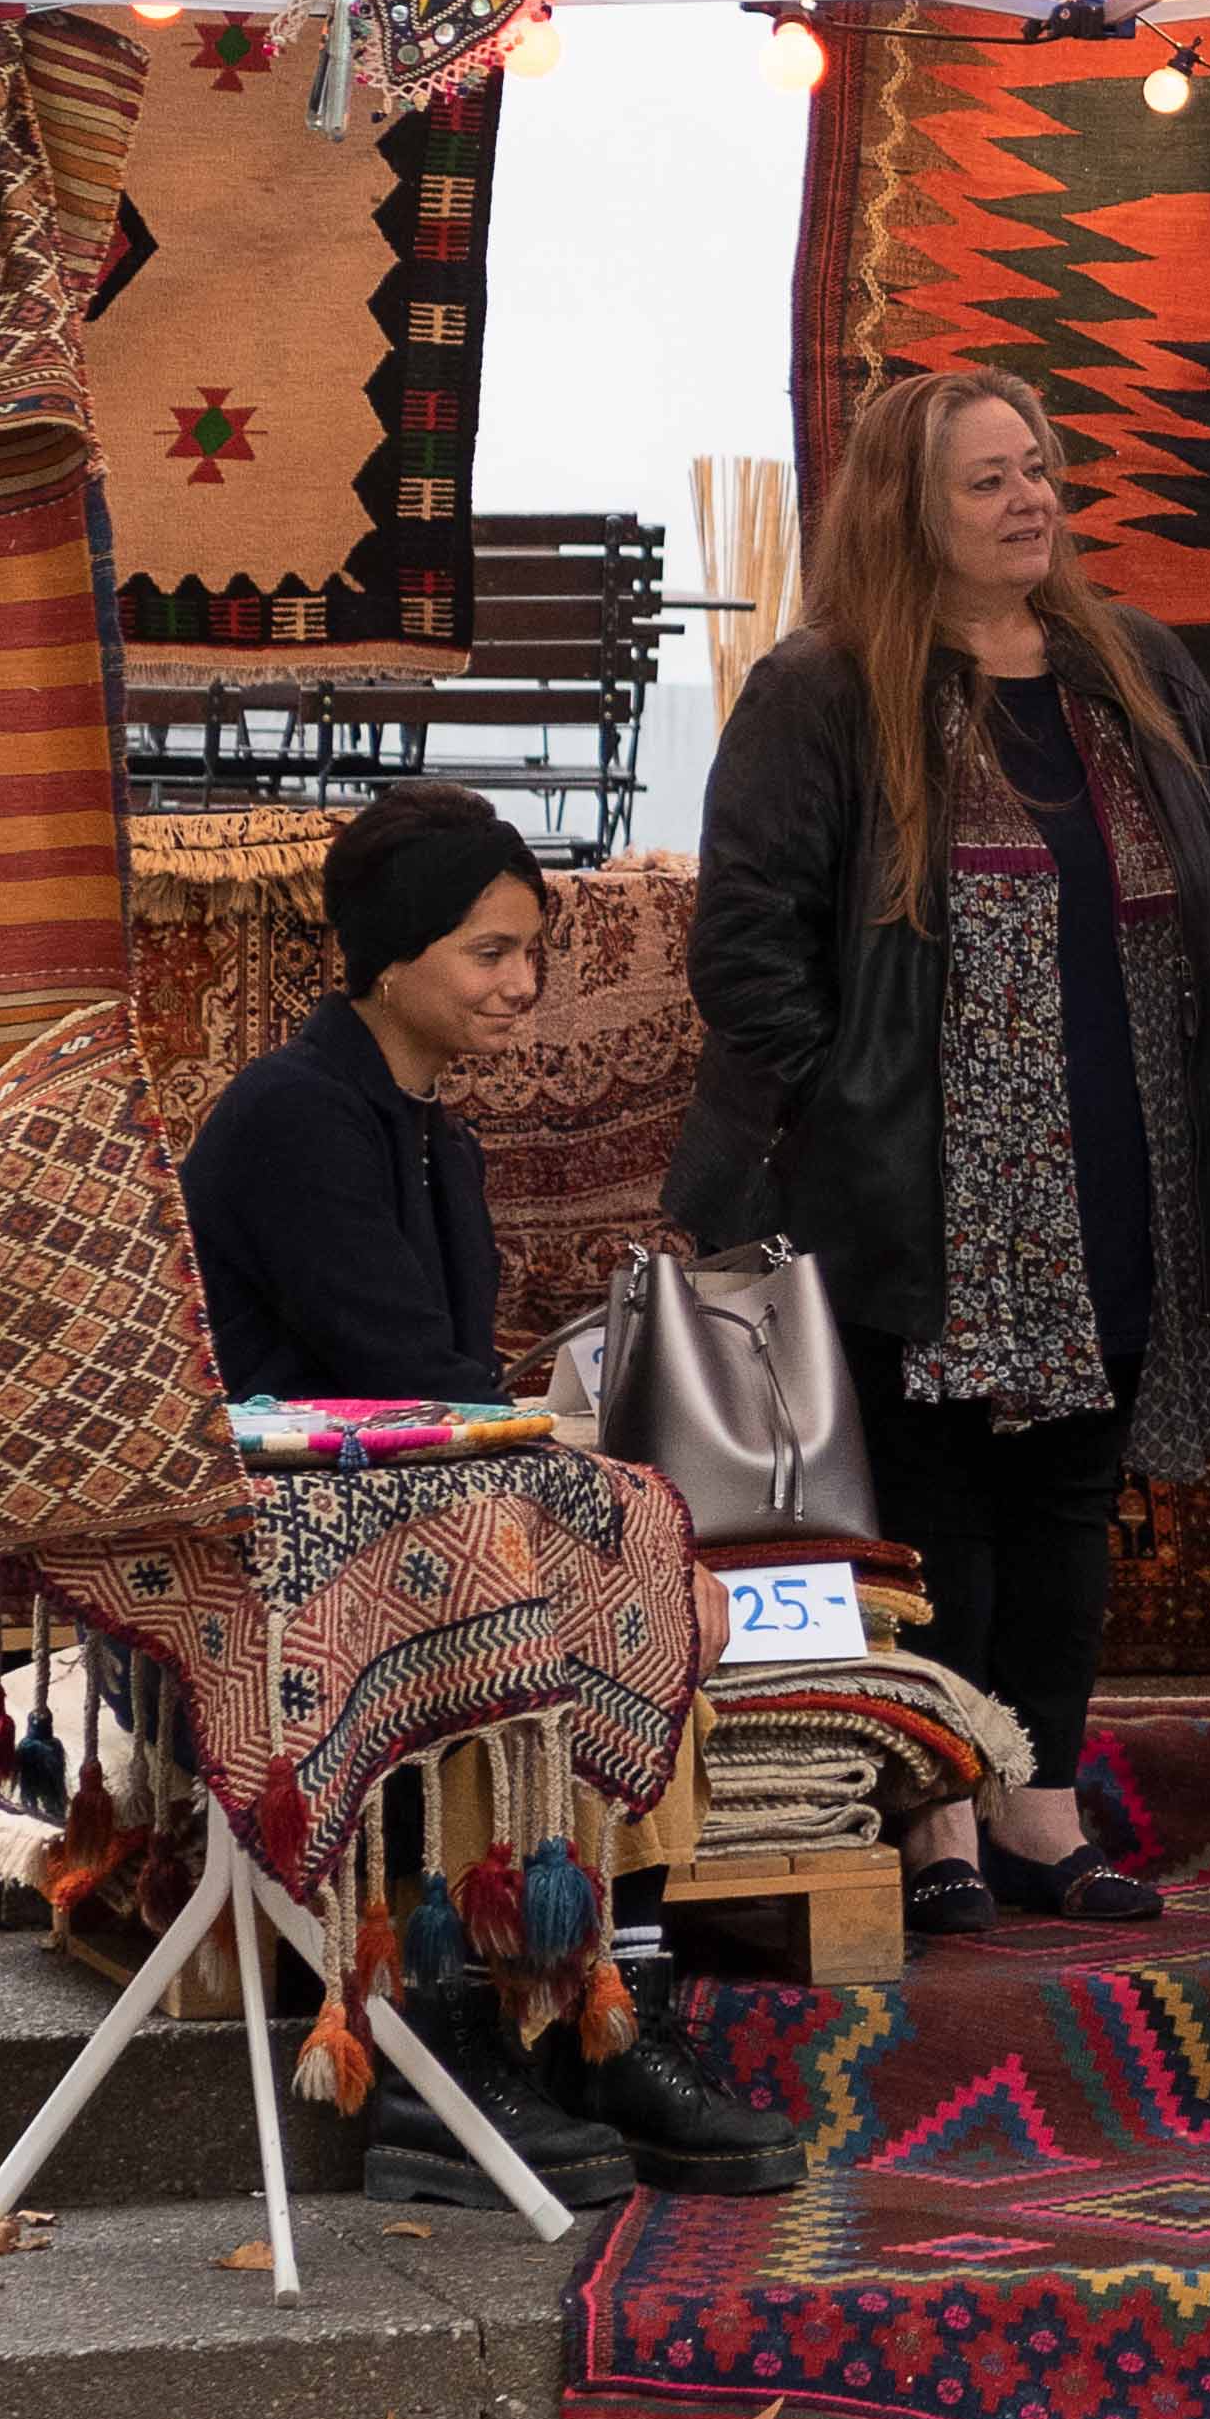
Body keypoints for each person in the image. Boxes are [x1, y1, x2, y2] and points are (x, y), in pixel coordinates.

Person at [677, 369, 1210, 1934]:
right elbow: (746, 946)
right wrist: (853, 1115)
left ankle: (1042, 1811)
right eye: (990, 480)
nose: (1033, 500)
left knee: (1070, 1496)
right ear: (909, 509)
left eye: (1038, 469)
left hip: (1126, 1158)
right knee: (935, 1502)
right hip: (912, 1186)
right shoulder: (824, 691)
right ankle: (936, 1816)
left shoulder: (1130, 667)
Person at [180, 780, 801, 2206]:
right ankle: (437, 2033)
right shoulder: (293, 1115)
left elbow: (447, 1395)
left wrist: (609, 1513)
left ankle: (605, 2009)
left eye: (533, 952)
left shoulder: (432, 1135)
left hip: (401, 1493)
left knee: (632, 1555)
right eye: (490, 952)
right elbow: (405, 1375)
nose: (523, 983)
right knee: (516, 1572)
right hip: (278, 1523)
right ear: (390, 956)